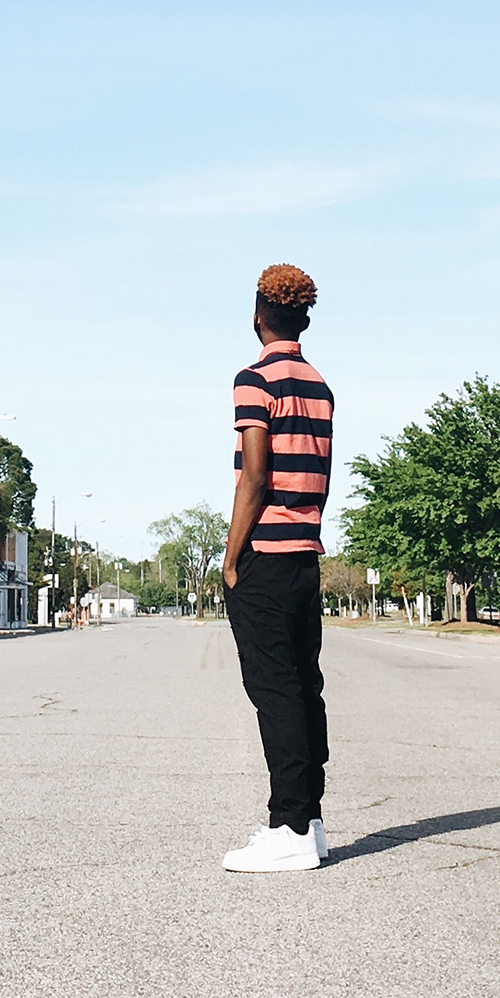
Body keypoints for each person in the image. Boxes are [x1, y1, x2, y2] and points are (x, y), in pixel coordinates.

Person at [220, 263, 334, 873]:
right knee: (303, 684)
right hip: (306, 557)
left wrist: (232, 556)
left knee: (274, 690)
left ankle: (288, 826)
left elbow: (256, 476)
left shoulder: (254, 380)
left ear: (258, 315)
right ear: (305, 319)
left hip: (265, 555)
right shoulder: (318, 385)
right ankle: (310, 820)